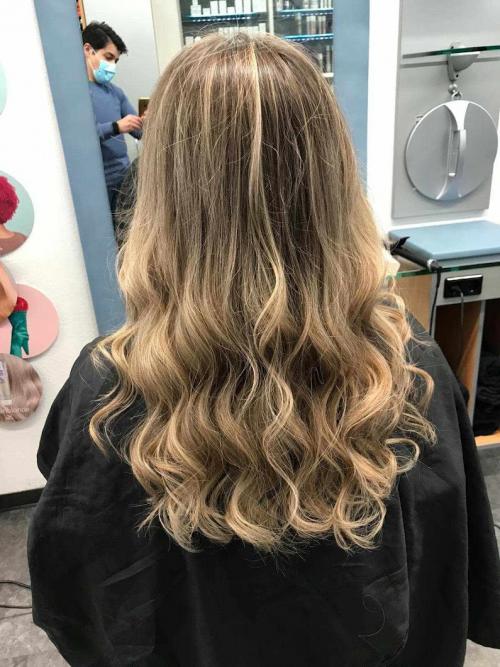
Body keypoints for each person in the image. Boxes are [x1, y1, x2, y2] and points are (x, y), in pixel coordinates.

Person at [28, 33, 500, 666]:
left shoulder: (105, 386)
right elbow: (448, 574)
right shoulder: (408, 365)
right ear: (332, 176)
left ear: (163, 190)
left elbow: (78, 595)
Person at [82, 21, 142, 213]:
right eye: (108, 57)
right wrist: (115, 127)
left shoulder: (116, 93)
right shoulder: (77, 95)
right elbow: (81, 137)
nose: (112, 66)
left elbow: (139, 131)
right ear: (88, 50)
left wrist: (147, 121)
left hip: (124, 180)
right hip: (96, 182)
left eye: (115, 61)